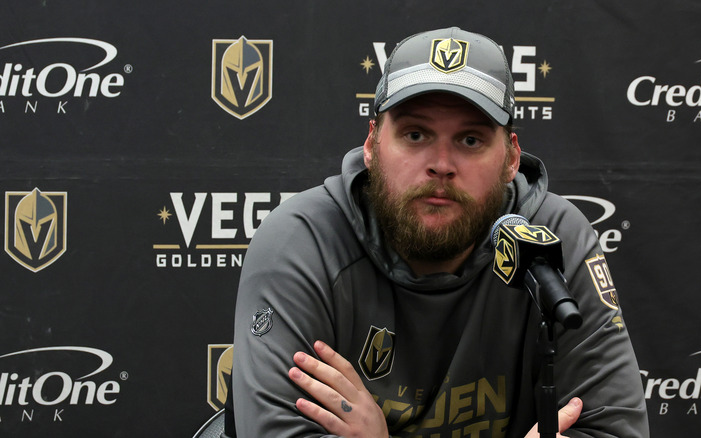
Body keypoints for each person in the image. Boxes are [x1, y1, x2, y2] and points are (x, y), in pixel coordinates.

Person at [231, 26, 649, 437]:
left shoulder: (552, 240)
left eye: (470, 140)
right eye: (415, 135)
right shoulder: (302, 242)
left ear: (511, 158)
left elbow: (614, 429)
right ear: (372, 144)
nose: (442, 164)